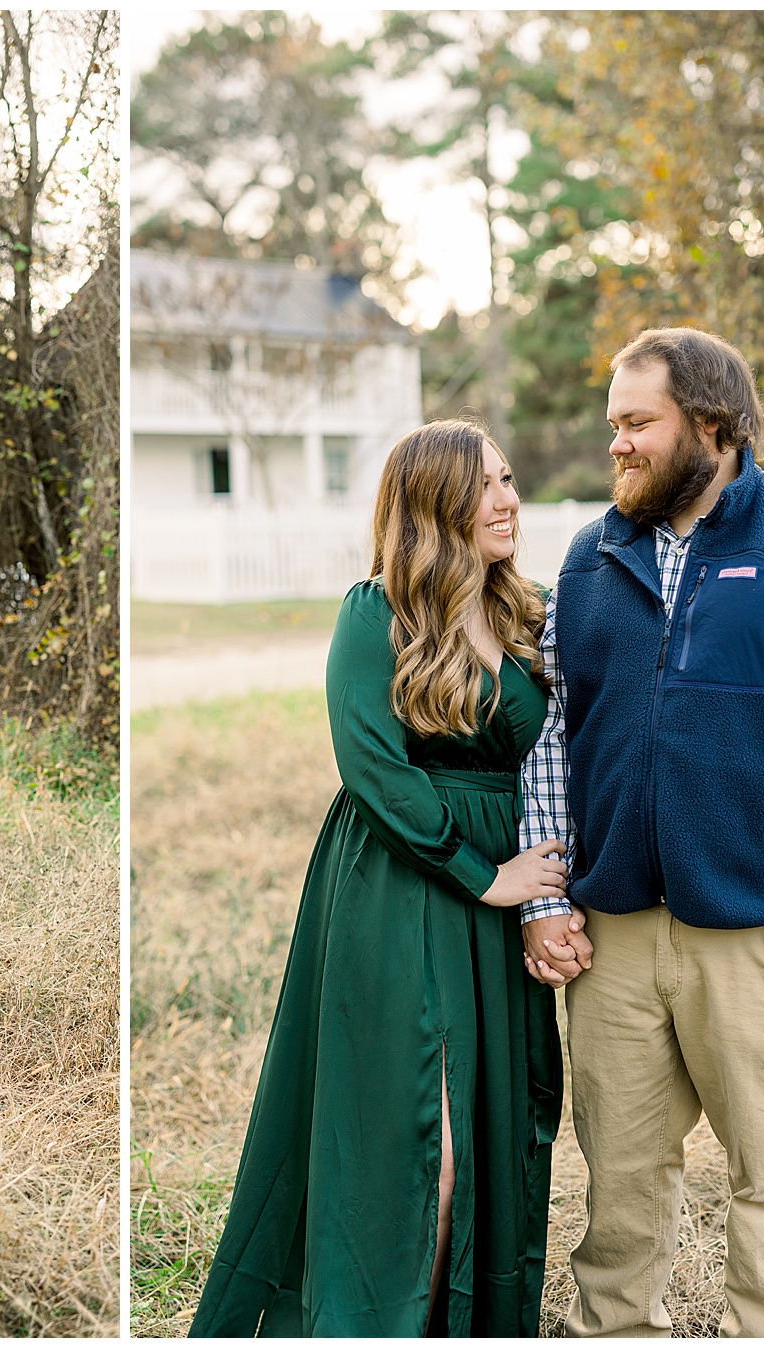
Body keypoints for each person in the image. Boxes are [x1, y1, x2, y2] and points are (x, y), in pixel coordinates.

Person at [518, 327, 764, 1337]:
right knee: (618, 1184)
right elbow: (550, 739)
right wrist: (548, 898)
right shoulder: (590, 556)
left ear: (710, 426)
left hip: (762, 935)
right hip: (612, 939)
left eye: (635, 424)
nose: (616, 445)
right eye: (613, 424)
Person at [190, 420, 571, 1338]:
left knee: (490, 1119)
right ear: (434, 506)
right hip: (407, 882)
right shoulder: (377, 612)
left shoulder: (532, 615)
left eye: (510, 480)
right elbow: (372, 765)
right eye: (485, 487)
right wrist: (485, 876)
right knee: (416, 1134)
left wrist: (544, 889)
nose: (508, 500)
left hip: (509, 891)